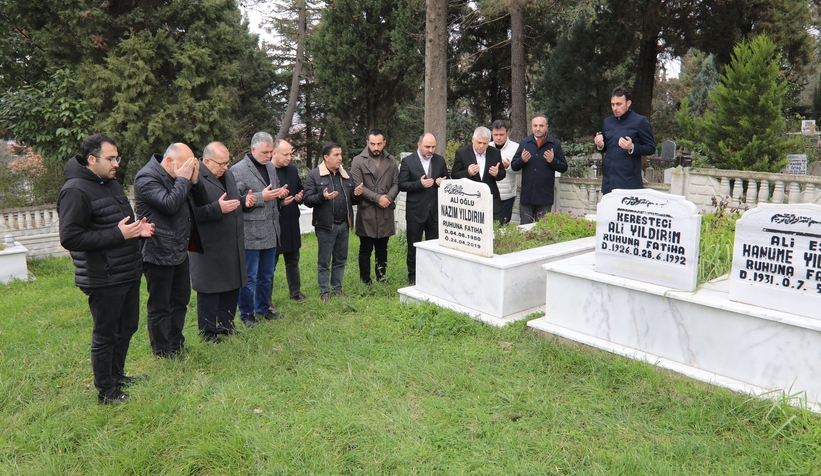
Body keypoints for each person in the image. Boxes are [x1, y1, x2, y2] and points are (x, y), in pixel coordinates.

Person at [58, 134, 155, 404]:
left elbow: (119, 225)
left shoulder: (110, 184)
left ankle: (117, 376)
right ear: (92, 159)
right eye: (111, 158)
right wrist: (119, 234)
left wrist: (136, 231)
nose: (116, 164)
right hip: (103, 276)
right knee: (106, 335)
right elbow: (71, 238)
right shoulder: (75, 190)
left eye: (117, 157)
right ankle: (106, 391)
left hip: (127, 271)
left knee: (127, 327)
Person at [135, 142, 207, 359]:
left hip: (179, 248)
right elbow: (169, 204)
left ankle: (176, 344)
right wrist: (184, 180)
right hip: (158, 250)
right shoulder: (146, 178)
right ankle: (162, 351)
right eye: (186, 165)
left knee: (180, 300)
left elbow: (202, 202)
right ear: (168, 161)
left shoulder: (179, 176)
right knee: (161, 304)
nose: (188, 170)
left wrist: (194, 180)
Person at [189, 142, 255, 342]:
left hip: (231, 243)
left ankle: (227, 325)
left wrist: (244, 203)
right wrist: (218, 209)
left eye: (228, 163)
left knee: (231, 285)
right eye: (221, 164)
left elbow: (232, 202)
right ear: (206, 161)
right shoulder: (195, 178)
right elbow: (192, 214)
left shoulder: (227, 175)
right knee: (210, 289)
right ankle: (208, 332)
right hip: (209, 245)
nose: (226, 167)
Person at [230, 132, 289, 327]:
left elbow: (273, 190)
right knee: (250, 278)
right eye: (265, 152)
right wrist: (261, 197)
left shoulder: (270, 167)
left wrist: (280, 194)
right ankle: (247, 314)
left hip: (271, 230)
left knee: (267, 275)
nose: (269, 156)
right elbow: (235, 200)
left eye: (271, 152)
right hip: (251, 233)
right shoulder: (238, 170)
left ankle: (263, 308)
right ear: (253, 149)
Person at [303, 142, 363, 302]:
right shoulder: (315, 175)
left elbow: (352, 200)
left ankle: (337, 287)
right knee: (324, 261)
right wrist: (322, 197)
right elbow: (307, 199)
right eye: (336, 155)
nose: (340, 158)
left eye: (340, 154)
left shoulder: (346, 175)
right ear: (326, 157)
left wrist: (357, 195)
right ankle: (324, 291)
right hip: (325, 226)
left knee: (340, 259)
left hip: (343, 224)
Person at [398, 133, 449, 285]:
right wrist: (419, 184)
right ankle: (413, 277)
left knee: (434, 246)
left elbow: (448, 179)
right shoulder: (408, 161)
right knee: (414, 246)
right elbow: (402, 184)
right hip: (416, 211)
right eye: (427, 147)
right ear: (419, 145)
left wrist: (443, 182)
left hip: (434, 212)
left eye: (433, 147)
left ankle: (432, 277)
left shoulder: (439, 160)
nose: (430, 150)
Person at [350, 129, 399, 285]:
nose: (376, 147)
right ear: (367, 143)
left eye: (379, 144)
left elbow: (396, 183)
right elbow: (358, 186)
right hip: (367, 210)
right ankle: (365, 280)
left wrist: (388, 198)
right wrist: (378, 199)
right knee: (366, 248)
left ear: (384, 143)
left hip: (385, 210)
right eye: (372, 144)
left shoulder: (391, 161)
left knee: (382, 248)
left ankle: (381, 278)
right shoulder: (358, 161)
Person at [594, 86, 656, 195]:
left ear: (628, 103)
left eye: (618, 104)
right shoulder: (608, 122)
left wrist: (632, 147)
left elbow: (651, 148)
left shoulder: (640, 121)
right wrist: (600, 145)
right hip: (608, 182)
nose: (615, 108)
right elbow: (607, 147)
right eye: (612, 104)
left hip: (629, 183)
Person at [511, 115, 568, 224]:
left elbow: (564, 167)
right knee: (525, 229)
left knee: (542, 229)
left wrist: (553, 160)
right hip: (527, 196)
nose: (538, 128)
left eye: (541, 126)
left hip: (544, 197)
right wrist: (522, 160)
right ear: (531, 127)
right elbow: (514, 166)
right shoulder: (525, 143)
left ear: (547, 126)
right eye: (535, 125)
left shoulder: (554, 144)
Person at [272, 139, 307, 301]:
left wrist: (299, 196)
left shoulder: (292, 169)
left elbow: (299, 187)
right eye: (285, 154)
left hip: (292, 220)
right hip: (274, 224)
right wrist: (279, 202)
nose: (289, 157)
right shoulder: (267, 171)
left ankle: (295, 292)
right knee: (269, 266)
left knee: (293, 261)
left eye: (290, 154)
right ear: (274, 153)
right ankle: (266, 300)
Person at [451, 126, 506, 222]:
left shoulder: (495, 152)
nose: (481, 146)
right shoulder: (462, 153)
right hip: (470, 200)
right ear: (473, 140)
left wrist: (497, 173)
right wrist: (467, 172)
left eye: (485, 143)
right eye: (479, 142)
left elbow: (502, 174)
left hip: (490, 199)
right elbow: (454, 175)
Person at [489, 120, 520, 224]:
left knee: (503, 226)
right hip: (489, 195)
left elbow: (521, 170)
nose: (498, 138)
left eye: (501, 135)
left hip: (507, 195)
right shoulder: (486, 147)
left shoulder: (516, 148)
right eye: (495, 135)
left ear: (507, 133)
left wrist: (508, 167)